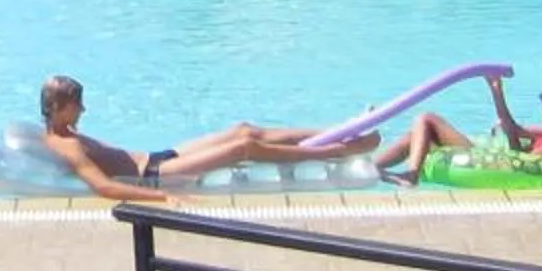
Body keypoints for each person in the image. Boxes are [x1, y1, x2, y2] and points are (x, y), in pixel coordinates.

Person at [36, 74, 362, 201]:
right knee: (244, 147)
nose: (83, 109)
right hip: (154, 176)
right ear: (57, 107)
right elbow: (104, 187)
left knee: (244, 129)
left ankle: (342, 129)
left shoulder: (64, 131)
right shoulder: (67, 145)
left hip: (155, 157)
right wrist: (165, 198)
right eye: (76, 104)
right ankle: (336, 150)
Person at [377, 73, 542, 184]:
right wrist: (496, 89)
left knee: (427, 119)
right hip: (493, 158)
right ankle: (371, 168)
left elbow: (522, 162)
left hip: (495, 166)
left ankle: (412, 175)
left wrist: (508, 129)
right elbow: (513, 128)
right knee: (417, 135)